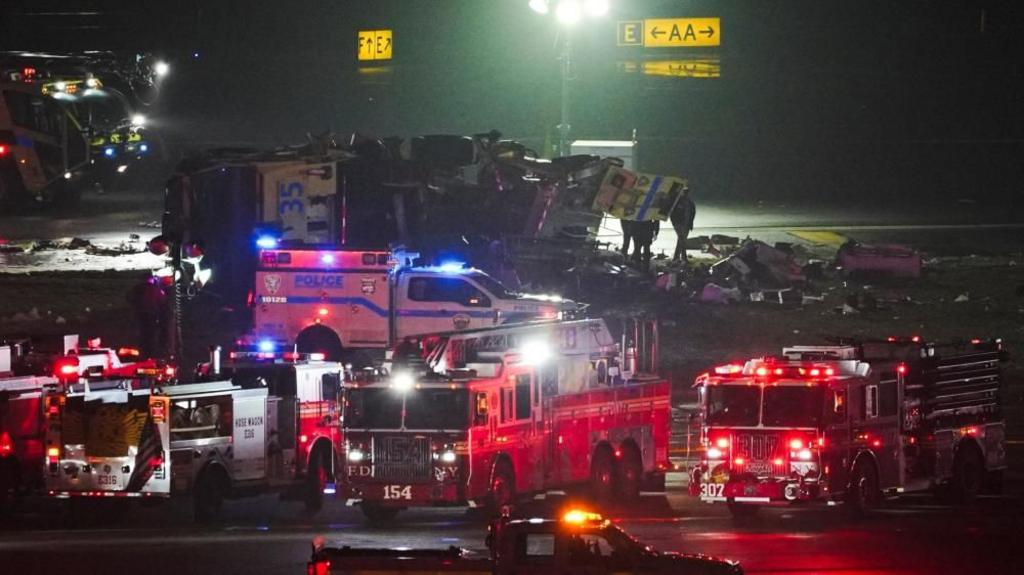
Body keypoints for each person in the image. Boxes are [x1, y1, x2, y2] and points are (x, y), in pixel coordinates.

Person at [127, 274, 167, 359]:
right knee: (150, 336)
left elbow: (129, 297)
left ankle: (144, 353)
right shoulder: (155, 289)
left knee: (143, 335)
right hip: (151, 315)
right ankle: (149, 354)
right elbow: (162, 300)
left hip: (141, 315)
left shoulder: (137, 288)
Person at [671, 185, 696, 263]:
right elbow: (672, 213)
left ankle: (676, 257)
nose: (685, 193)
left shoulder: (690, 202)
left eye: (687, 192)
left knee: (681, 241)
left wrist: (691, 224)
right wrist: (674, 223)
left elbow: (693, 213)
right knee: (682, 240)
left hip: (687, 224)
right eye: (684, 192)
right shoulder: (677, 202)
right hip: (678, 224)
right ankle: (683, 258)